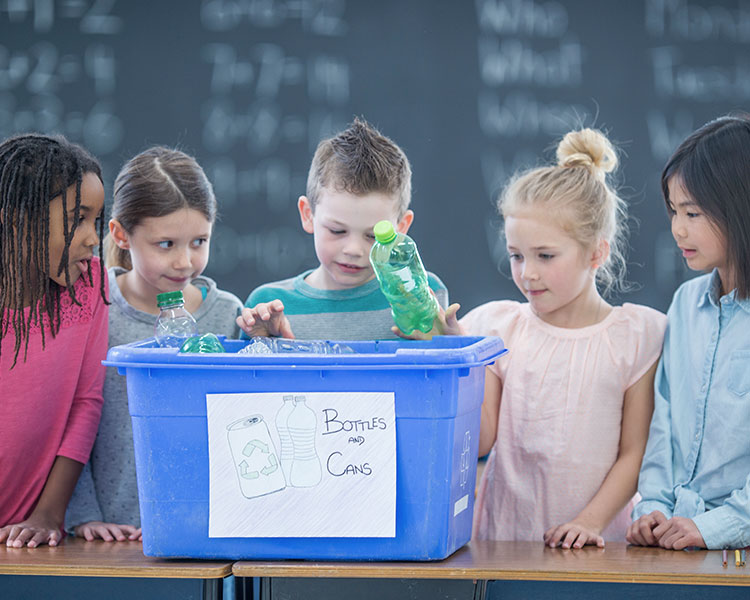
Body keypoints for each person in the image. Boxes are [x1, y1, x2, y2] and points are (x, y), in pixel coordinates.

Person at [457, 128, 667, 547]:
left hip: (600, 550)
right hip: (506, 545)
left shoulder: (636, 337)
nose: (526, 273)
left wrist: (587, 523)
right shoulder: (499, 328)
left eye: (545, 256)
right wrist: (455, 357)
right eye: (516, 255)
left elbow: (634, 453)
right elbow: (480, 440)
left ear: (596, 252)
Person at [65, 147, 243, 542]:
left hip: (201, 532)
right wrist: (83, 516)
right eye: (166, 244)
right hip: (102, 535)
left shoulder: (227, 315)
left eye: (199, 241)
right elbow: (66, 419)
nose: (185, 262)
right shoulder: (90, 305)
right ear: (120, 235)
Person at [627, 115, 750, 551]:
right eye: (675, 211)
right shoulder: (685, 303)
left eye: (693, 213)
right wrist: (652, 508)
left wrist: (718, 526)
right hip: (677, 538)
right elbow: (664, 422)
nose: (678, 229)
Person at [236, 117, 450, 340]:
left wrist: (447, 342)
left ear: (401, 228)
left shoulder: (420, 295)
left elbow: (450, 371)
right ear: (308, 215)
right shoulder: (269, 308)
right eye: (337, 231)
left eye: (373, 236)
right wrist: (266, 343)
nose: (353, 250)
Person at [0, 133, 108, 548]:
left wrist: (50, 512)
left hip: (29, 534)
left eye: (95, 221)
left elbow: (86, 402)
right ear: (16, 218)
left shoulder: (92, 284)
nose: (91, 238)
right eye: (77, 218)